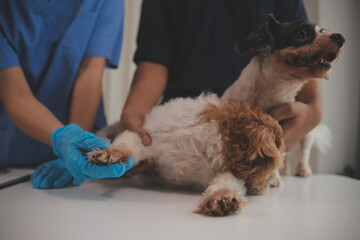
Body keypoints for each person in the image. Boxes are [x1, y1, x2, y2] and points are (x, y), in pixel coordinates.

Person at [118, 0, 322, 154]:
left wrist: (312, 111)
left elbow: (303, 52)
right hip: (182, 135)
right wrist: (134, 115)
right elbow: (154, 59)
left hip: (254, 130)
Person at [0, 0, 134, 189]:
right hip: (10, 146)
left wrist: (78, 144)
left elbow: (90, 73)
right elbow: (15, 94)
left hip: (80, 123)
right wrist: (65, 138)